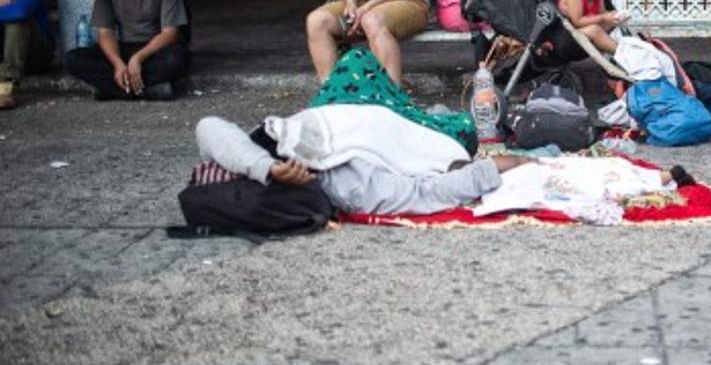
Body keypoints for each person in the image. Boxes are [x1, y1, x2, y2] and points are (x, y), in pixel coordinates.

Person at [195, 110, 535, 216]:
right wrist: (492, 168)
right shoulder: (348, 186)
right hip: (399, 134)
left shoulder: (258, 151)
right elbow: (425, 193)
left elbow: (208, 127)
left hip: (322, 126)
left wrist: (264, 168)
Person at [557, 0, 624, 54]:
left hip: (583, 28)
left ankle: (623, 45)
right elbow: (577, 22)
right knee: (595, 30)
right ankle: (622, 54)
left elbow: (601, 13)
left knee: (612, 21)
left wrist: (614, 16)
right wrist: (603, 17)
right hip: (567, 33)